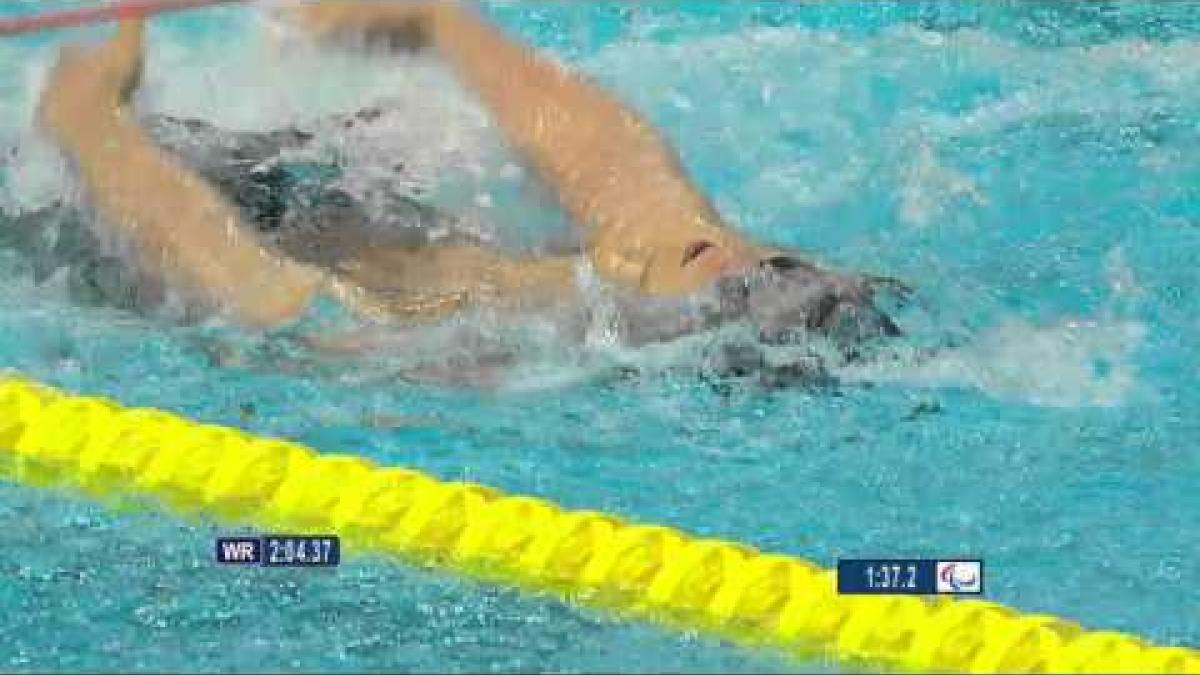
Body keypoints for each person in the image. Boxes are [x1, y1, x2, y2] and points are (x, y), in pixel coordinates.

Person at [34, 0, 901, 358]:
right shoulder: (638, 281)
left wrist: (83, 115)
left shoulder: (422, 340)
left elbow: (219, 270)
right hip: (303, 187)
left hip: (109, 235)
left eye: (724, 259)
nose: (717, 238)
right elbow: (609, 156)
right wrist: (435, 22)